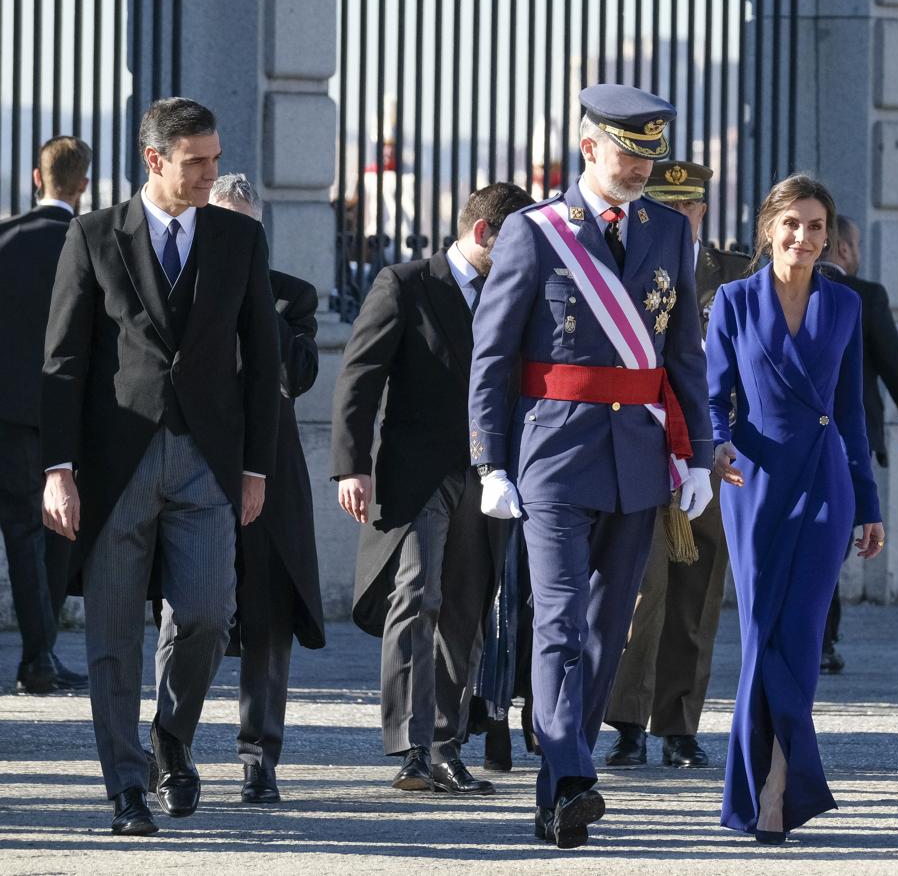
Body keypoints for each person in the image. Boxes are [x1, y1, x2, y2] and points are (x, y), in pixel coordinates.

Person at [468, 84, 714, 849]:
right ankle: (572, 775)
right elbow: (493, 355)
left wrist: (697, 454)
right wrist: (490, 461)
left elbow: (685, 357)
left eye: (651, 154)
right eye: (628, 152)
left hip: (637, 456)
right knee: (561, 619)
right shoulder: (535, 232)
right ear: (588, 149)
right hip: (553, 455)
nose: (641, 167)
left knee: (609, 629)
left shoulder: (671, 231)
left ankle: (559, 784)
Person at [41, 97, 280, 836]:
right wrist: (58, 467)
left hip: (206, 463)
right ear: (155, 161)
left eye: (214, 157)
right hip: (117, 466)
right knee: (113, 636)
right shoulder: (93, 235)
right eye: (195, 162)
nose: (210, 172)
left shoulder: (238, 240)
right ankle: (125, 788)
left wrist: (255, 468)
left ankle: (169, 736)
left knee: (209, 615)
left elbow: (262, 360)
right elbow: (64, 360)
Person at [332, 182, 534, 796]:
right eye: (516, 243)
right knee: (417, 596)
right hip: (418, 474)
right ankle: (413, 747)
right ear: (483, 235)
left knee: (467, 608)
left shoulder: (514, 295)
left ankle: (447, 741)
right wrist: (351, 465)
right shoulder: (405, 283)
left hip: (486, 475)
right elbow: (360, 376)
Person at [707, 174, 884, 843]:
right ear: (768, 228)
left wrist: (868, 502)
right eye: (793, 225)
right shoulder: (731, 301)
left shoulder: (845, 307)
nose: (805, 238)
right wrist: (716, 450)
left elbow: (852, 414)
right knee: (761, 636)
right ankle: (765, 782)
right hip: (753, 483)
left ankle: (779, 785)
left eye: (817, 227)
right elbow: (713, 398)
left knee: (803, 639)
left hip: (825, 484)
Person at [603, 160, 750, 770]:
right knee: (644, 588)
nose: (677, 220)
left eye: (686, 209)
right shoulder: (623, 265)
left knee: (700, 589)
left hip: (714, 455)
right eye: (664, 207)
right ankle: (628, 722)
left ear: (701, 212)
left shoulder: (737, 276)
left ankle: (680, 725)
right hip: (642, 449)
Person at [206, 174, 326, 802]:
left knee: (269, 621)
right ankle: (169, 747)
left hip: (271, 478)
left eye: (247, 231)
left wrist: (250, 292)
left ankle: (260, 757)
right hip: (198, 473)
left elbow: (299, 373)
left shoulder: (291, 297)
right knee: (190, 616)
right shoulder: (183, 291)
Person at [0, 136, 91, 695]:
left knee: (23, 530)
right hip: (69, 411)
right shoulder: (90, 242)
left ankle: (40, 655)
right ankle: (43, 654)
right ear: (82, 184)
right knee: (62, 529)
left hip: (9, 412)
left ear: (38, 179)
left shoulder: (5, 239)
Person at [816, 214, 898, 674]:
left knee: (816, 541)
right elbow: (895, 364)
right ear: (843, 249)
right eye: (855, 244)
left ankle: (817, 636)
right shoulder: (865, 296)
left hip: (799, 443)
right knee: (831, 545)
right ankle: (822, 639)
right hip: (847, 442)